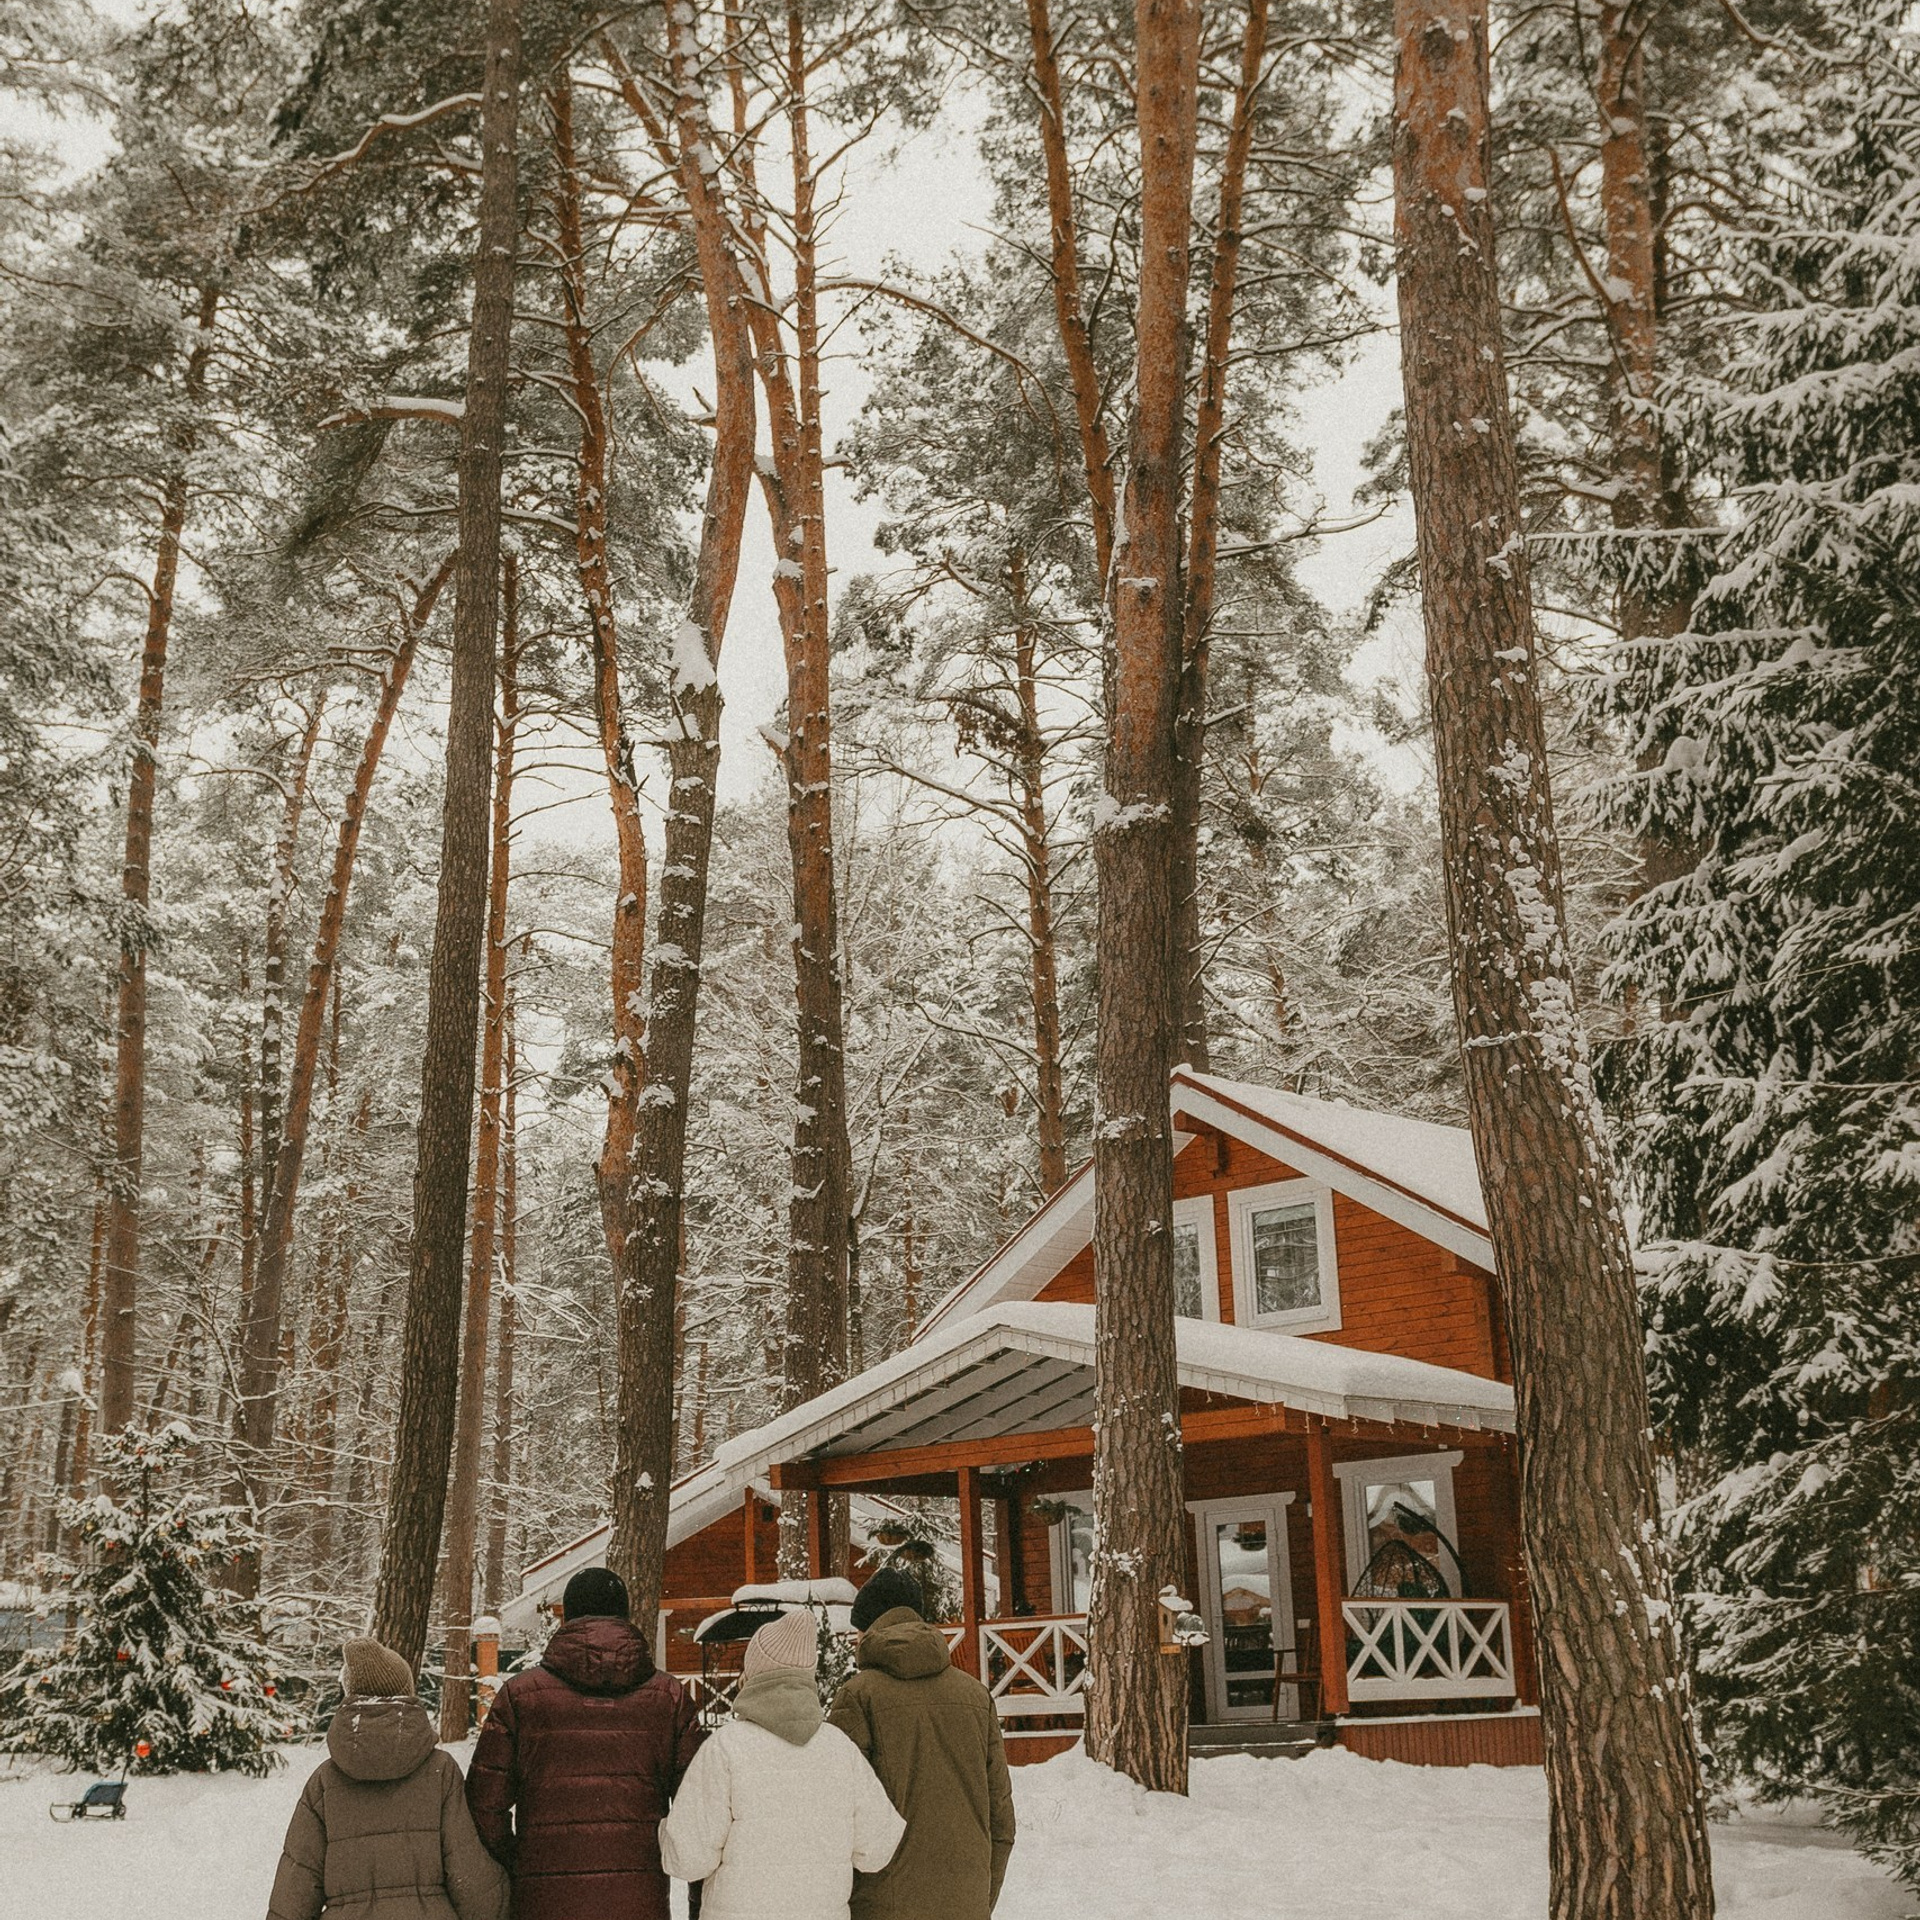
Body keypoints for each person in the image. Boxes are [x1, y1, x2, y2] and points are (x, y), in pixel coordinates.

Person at [467, 1567, 703, 1920]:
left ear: (570, 1617)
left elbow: (483, 1808)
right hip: (637, 1900)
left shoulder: (521, 1697)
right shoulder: (669, 1698)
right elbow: (696, 1813)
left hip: (545, 1900)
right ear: (624, 1614)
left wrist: (522, 1858)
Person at [658, 1608, 904, 1920]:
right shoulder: (840, 1750)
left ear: (754, 1673)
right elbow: (877, 1850)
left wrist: (666, 1829)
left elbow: (688, 1859)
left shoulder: (725, 1749)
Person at [267, 1636, 507, 1920]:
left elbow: (297, 1884)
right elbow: (467, 1871)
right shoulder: (440, 1771)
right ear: (407, 1694)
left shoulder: (324, 1783)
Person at [827, 1568, 1015, 1920]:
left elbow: (837, 1813)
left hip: (882, 1903)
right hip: (966, 1899)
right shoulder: (975, 1695)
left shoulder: (857, 1695)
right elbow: (1000, 1818)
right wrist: (978, 1897)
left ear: (868, 1628)